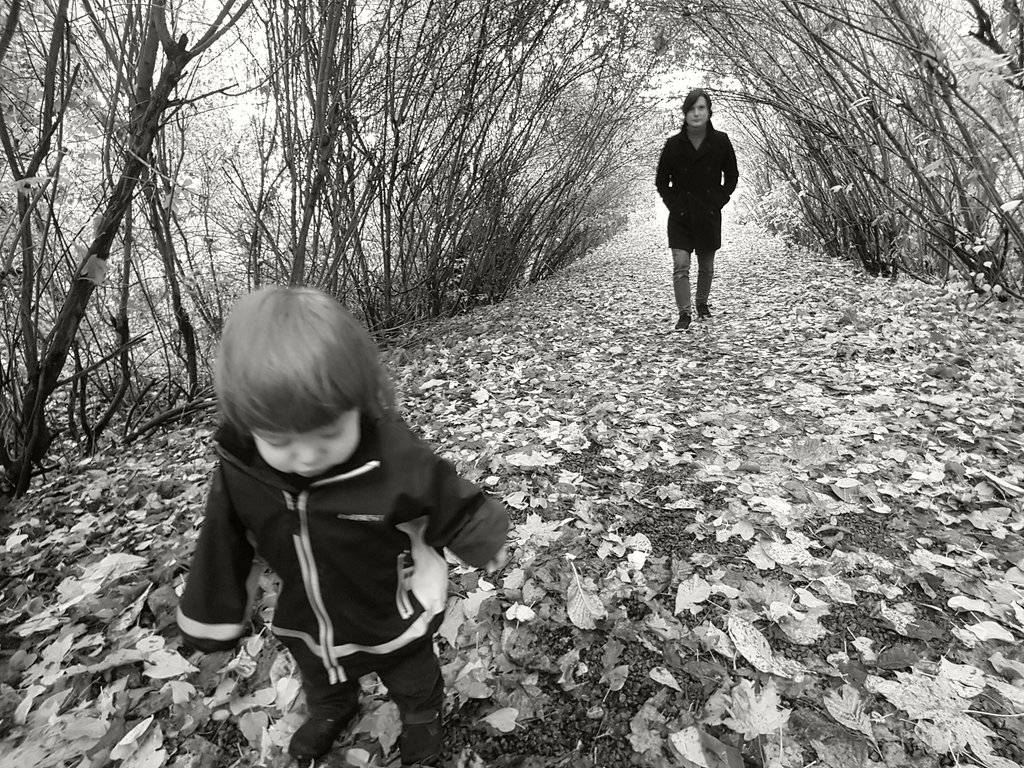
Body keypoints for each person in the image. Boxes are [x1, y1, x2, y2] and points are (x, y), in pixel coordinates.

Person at [176, 286, 509, 765]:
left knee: (410, 672)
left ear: (359, 403)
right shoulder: (240, 472)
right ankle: (334, 710)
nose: (308, 456)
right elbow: (222, 540)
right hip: (308, 616)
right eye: (282, 442)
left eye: (328, 435)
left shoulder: (390, 454)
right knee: (322, 675)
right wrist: (213, 614)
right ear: (250, 424)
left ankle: (421, 716)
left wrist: (479, 534)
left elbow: (441, 490)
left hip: (388, 604)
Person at [655, 88, 739, 331]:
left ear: (709, 111)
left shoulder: (721, 141)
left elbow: (731, 175)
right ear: (685, 112)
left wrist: (719, 199)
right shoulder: (672, 145)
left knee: (707, 266)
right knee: (681, 265)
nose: (696, 113)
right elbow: (662, 180)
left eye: (701, 108)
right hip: (680, 214)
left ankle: (702, 303)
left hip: (709, 212)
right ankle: (684, 313)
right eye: (692, 108)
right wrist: (674, 203)